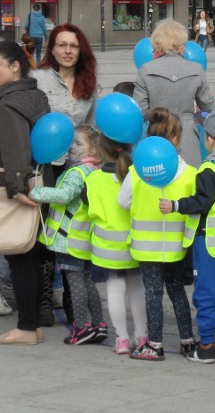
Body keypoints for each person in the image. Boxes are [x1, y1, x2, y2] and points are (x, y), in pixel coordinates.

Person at [159, 109, 215, 364]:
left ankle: (206, 344)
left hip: (210, 242)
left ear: (208, 140)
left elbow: (202, 202)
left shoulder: (209, 168)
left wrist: (175, 206)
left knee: (207, 295)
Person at [122, 109, 197, 361]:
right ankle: (188, 341)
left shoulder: (137, 172)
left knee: (152, 292)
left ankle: (154, 344)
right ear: (176, 138)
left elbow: (123, 202)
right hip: (177, 245)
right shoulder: (190, 173)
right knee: (177, 290)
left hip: (146, 247)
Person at [30, 125, 103, 346]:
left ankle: (81, 328)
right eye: (72, 143)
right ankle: (98, 324)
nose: (72, 147)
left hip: (69, 239)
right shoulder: (94, 171)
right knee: (88, 283)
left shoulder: (77, 173)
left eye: (79, 144)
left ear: (94, 150)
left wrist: (37, 192)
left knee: (75, 283)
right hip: (84, 238)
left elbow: (64, 195)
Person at [0, 41, 50, 345]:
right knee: (30, 255)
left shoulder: (7, 102)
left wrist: (16, 188)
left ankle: (27, 327)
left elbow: (14, 148)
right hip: (39, 180)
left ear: (15, 66)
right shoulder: (35, 95)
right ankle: (32, 325)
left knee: (18, 255)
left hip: (16, 185)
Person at [82, 132, 147, 354]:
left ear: (100, 150)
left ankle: (121, 339)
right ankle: (142, 336)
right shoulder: (135, 176)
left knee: (114, 291)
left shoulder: (92, 179)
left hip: (106, 248)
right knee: (137, 290)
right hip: (134, 245)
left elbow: (86, 204)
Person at [133, 19, 215, 168]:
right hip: (187, 134)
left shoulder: (145, 69)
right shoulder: (196, 69)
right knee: (188, 182)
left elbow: (140, 111)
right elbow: (209, 107)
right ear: (181, 42)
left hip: (157, 133)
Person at [33, 24, 98, 129]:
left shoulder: (89, 83)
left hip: (76, 145)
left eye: (74, 46)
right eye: (62, 45)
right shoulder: (36, 79)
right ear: (53, 50)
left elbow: (90, 128)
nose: (68, 51)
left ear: (80, 51)